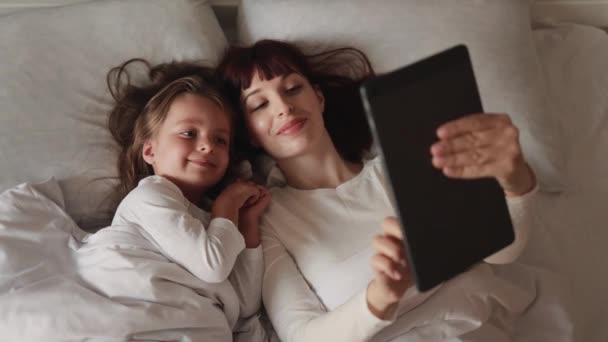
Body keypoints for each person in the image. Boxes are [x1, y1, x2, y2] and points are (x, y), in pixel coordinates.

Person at [216, 40, 572, 341]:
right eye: (259, 104)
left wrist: (515, 179)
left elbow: (501, 253)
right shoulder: (268, 218)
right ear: (248, 132)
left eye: (293, 88)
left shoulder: (402, 165)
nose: (283, 106)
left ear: (319, 98)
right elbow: (302, 334)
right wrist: (382, 295)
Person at [77, 59, 271, 341]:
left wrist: (249, 224)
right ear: (150, 151)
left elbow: (244, 304)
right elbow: (212, 265)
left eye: (220, 140)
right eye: (189, 133)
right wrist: (227, 206)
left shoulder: (214, 222)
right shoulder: (150, 196)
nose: (207, 145)